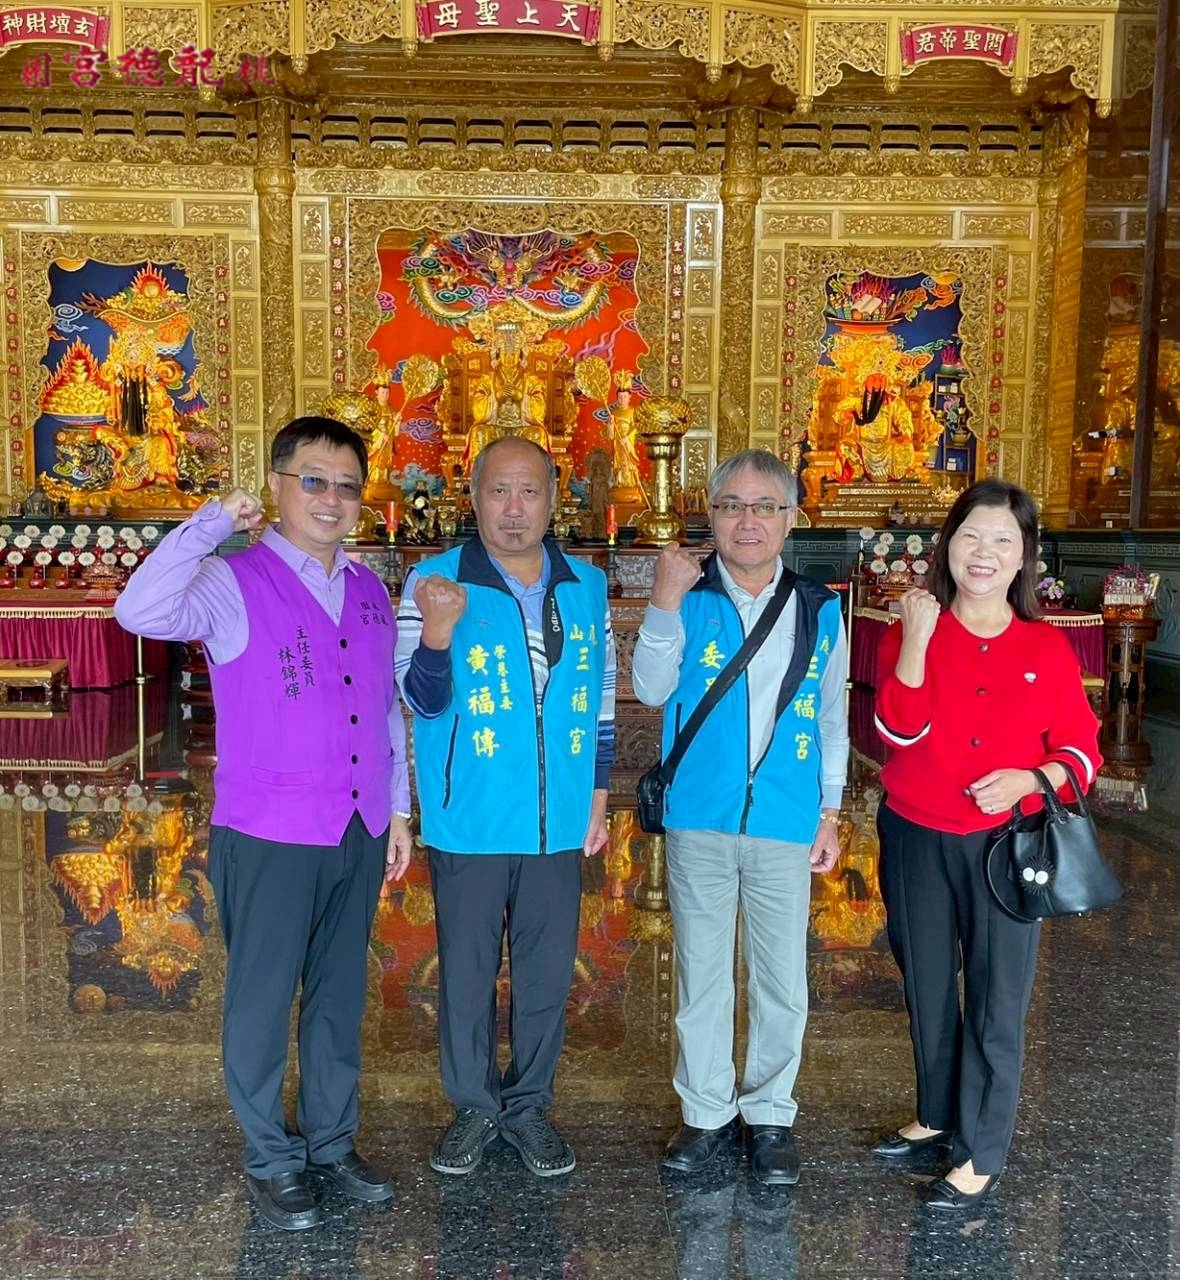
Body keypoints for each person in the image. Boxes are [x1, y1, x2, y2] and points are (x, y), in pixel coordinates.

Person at [115, 416, 413, 1231]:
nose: (331, 499)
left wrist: (397, 809)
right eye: (313, 480)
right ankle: (271, 1158)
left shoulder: (367, 588)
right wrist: (212, 522)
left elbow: (385, 706)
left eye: (347, 485)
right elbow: (138, 609)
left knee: (337, 995)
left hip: (357, 824)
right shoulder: (231, 579)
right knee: (262, 998)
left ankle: (330, 1142)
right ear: (277, 486)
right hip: (270, 829)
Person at [871, 478, 1102, 1210]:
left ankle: (981, 1150)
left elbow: (1083, 751)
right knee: (927, 984)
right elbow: (897, 730)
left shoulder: (1046, 647)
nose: (985, 552)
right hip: (915, 833)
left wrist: (1032, 776)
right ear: (948, 544)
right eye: (972, 535)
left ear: (1024, 555)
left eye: (1004, 540)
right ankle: (938, 1114)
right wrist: (915, 638)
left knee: (998, 998)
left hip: (1008, 846)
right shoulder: (910, 629)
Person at [394, 435, 615, 1178]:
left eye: (528, 491)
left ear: (553, 499)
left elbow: (599, 702)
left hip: (559, 820)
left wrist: (598, 796)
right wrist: (436, 634)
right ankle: (473, 1107)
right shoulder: (434, 579)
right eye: (498, 491)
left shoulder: (585, 585)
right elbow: (419, 700)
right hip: (471, 814)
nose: (514, 508)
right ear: (473, 497)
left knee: (548, 973)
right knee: (466, 972)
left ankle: (528, 1107)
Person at [631, 448, 849, 1186]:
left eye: (764, 507)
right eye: (731, 506)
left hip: (785, 817)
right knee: (702, 973)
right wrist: (663, 601)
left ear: (790, 519)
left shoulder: (819, 607)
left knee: (782, 977)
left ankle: (771, 1114)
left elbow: (831, 718)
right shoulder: (687, 597)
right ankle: (706, 1113)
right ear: (711, 515)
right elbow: (650, 688)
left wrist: (830, 810)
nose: (747, 521)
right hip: (700, 814)